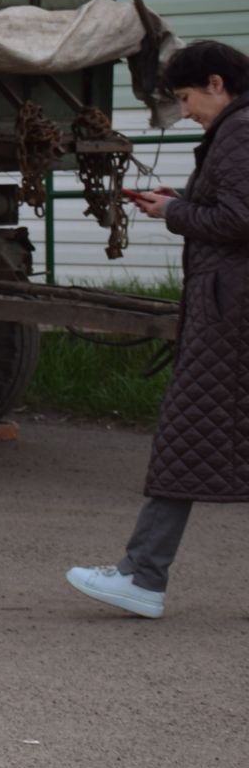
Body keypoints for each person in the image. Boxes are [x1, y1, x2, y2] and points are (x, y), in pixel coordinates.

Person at [67, 40, 249, 619]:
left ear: (216, 84)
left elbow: (240, 219)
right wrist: (181, 201)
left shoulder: (242, 131)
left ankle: (143, 577)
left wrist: (172, 212)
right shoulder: (239, 129)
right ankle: (142, 573)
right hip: (229, 306)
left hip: (230, 314)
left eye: (187, 97)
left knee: (184, 437)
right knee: (201, 440)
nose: (187, 110)